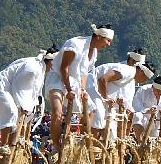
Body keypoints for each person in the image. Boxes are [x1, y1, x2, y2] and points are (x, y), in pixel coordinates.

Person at [44, 24, 114, 152]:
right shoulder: (75, 44)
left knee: (91, 110)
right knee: (57, 111)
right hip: (58, 79)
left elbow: (83, 73)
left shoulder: (93, 53)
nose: (108, 44)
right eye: (108, 40)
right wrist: (69, 89)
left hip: (74, 82)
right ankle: (56, 146)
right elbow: (64, 68)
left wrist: (82, 89)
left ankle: (81, 143)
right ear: (98, 37)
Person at [0, 45, 57, 149]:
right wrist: (24, 105)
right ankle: (4, 146)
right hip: (1, 86)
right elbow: (20, 86)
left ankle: (11, 145)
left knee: (15, 118)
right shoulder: (33, 68)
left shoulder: (40, 70)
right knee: (11, 113)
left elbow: (34, 92)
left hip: (9, 88)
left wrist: (31, 107)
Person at [88, 48, 153, 140]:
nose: (143, 82)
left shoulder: (131, 75)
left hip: (103, 96)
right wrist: (106, 98)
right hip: (91, 85)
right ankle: (90, 146)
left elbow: (124, 95)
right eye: (145, 78)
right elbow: (102, 79)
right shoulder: (128, 71)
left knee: (109, 127)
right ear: (141, 71)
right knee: (98, 118)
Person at [131, 75, 161, 142]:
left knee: (154, 143)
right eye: (158, 90)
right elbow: (135, 106)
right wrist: (147, 111)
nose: (160, 93)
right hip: (144, 120)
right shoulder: (143, 90)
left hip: (158, 123)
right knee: (137, 115)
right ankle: (140, 141)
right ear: (152, 87)